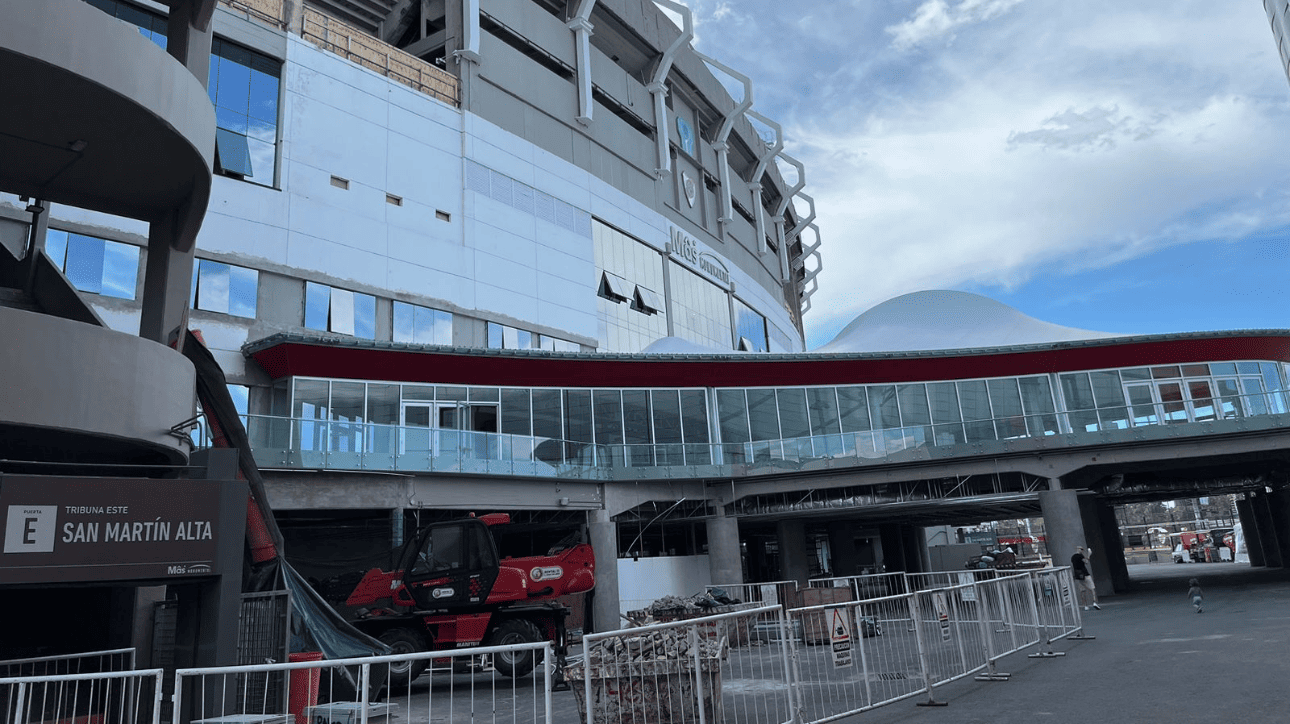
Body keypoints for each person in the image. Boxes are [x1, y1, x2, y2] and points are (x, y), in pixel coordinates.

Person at [1071, 546, 1100, 610]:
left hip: (1079, 576)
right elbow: (1086, 562)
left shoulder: (1073, 557)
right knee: (1092, 588)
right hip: (1085, 574)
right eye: (1081, 549)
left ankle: (1085, 606)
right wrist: (1089, 556)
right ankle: (1094, 602)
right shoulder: (1080, 556)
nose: (1082, 550)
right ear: (1078, 549)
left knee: (1082, 591)